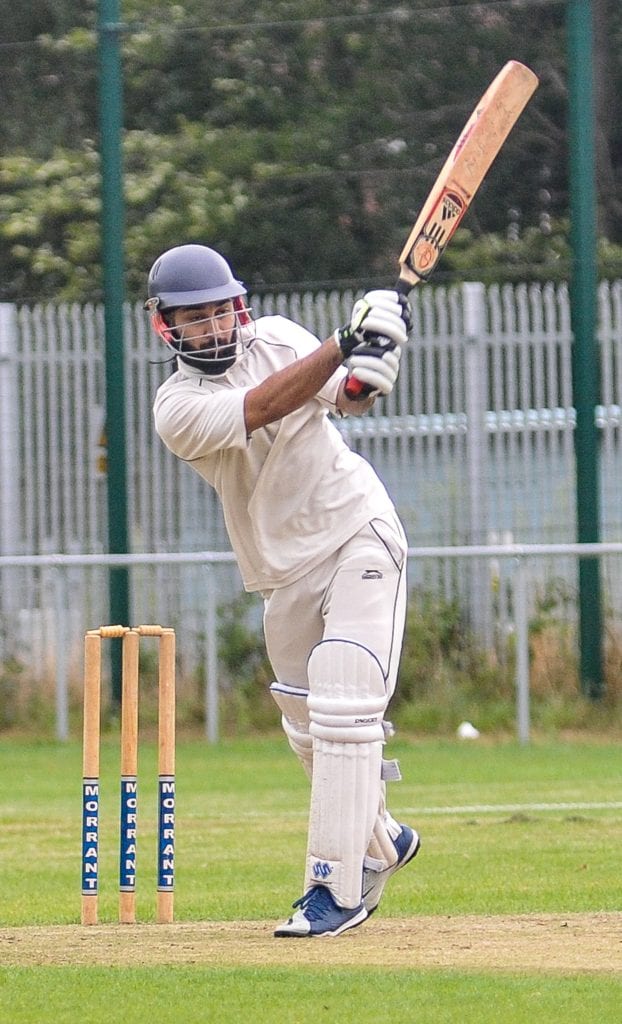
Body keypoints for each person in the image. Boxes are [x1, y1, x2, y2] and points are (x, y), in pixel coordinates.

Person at [146, 243, 420, 937]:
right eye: (194, 318)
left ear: (239, 305)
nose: (212, 327)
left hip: (357, 527)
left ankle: (335, 889)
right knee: (307, 731)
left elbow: (347, 398)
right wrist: (342, 342)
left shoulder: (276, 338)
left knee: (345, 695)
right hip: (281, 570)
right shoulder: (177, 407)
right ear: (165, 327)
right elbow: (265, 404)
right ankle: (382, 840)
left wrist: (374, 357)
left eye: (220, 311)